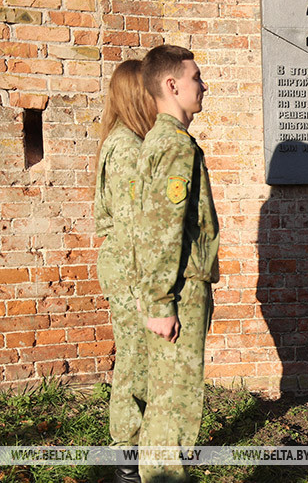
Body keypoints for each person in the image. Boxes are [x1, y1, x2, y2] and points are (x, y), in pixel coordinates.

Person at [134, 44, 219, 483]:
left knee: (163, 402)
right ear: (172, 85)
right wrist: (162, 303)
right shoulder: (176, 147)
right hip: (180, 291)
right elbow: (161, 231)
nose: (202, 85)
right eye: (196, 77)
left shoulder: (157, 140)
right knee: (177, 407)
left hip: (173, 289)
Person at [94, 59, 157, 483]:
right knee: (135, 362)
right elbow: (136, 223)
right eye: (150, 92)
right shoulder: (128, 148)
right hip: (130, 268)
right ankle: (126, 458)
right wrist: (146, 284)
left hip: (127, 264)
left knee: (139, 360)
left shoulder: (126, 141)